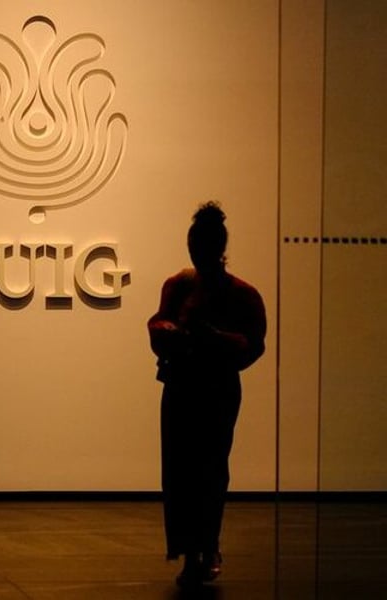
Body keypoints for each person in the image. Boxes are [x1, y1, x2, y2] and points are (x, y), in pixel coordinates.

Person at [147, 201, 266, 588]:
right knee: (183, 471)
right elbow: (158, 325)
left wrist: (208, 338)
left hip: (212, 389)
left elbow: (252, 345)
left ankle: (205, 547)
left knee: (208, 469)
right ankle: (192, 551)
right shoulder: (180, 286)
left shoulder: (240, 294)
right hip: (185, 386)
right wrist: (171, 333)